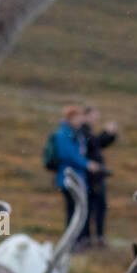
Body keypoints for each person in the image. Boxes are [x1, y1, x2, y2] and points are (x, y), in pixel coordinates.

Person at [77, 103, 118, 247]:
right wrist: (106, 133)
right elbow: (94, 144)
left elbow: (99, 144)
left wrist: (110, 135)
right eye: (93, 116)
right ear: (86, 116)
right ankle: (91, 238)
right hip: (91, 176)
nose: (95, 119)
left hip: (95, 176)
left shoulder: (87, 131)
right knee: (94, 208)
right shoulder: (82, 130)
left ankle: (96, 237)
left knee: (98, 207)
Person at [49, 106, 91, 243]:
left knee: (77, 210)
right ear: (71, 118)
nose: (81, 120)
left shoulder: (75, 133)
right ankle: (72, 242)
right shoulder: (63, 134)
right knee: (73, 210)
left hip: (77, 177)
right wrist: (86, 164)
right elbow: (66, 154)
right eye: (78, 117)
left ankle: (77, 241)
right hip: (68, 179)